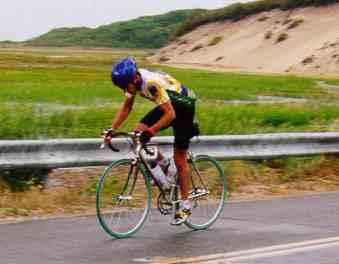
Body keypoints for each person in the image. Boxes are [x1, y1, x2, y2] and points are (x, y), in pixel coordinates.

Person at [105, 57, 198, 225]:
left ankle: (185, 205)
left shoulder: (150, 84)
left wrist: (152, 130)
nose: (124, 90)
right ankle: (164, 165)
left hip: (184, 106)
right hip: (169, 103)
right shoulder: (133, 81)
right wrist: (112, 129)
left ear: (134, 79)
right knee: (137, 133)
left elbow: (171, 115)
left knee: (180, 159)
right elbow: (127, 107)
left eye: (125, 86)